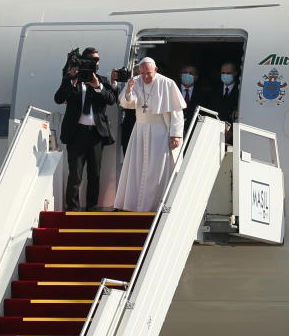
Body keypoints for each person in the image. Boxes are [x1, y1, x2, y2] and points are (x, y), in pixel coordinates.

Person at [114, 57, 186, 212]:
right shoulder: (135, 81)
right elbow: (127, 103)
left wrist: (176, 135)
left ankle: (155, 205)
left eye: (149, 73)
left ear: (156, 70)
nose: (145, 77)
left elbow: (177, 112)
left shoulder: (168, 84)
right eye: (143, 73)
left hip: (160, 132)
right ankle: (135, 205)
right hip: (140, 130)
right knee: (137, 169)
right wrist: (128, 91)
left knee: (157, 170)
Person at [54, 47, 117, 211]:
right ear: (83, 61)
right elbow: (58, 98)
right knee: (75, 173)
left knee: (95, 174)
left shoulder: (102, 80)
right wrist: (72, 81)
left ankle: (92, 207)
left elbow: (111, 100)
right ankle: (73, 208)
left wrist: (98, 87)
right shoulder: (71, 79)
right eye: (90, 59)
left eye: (96, 60)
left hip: (96, 134)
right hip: (76, 134)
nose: (94, 62)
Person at [178, 64, 210, 133]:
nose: (187, 75)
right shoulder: (172, 90)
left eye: (191, 73)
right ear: (180, 75)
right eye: (185, 72)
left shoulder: (203, 95)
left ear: (196, 77)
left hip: (192, 131)